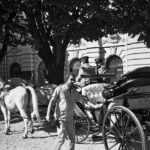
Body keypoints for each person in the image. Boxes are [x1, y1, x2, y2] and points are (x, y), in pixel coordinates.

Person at [46, 73, 100, 150]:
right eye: (71, 79)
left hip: (70, 120)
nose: (72, 81)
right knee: (61, 139)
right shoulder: (59, 89)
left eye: (74, 80)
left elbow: (84, 100)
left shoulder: (75, 92)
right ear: (66, 80)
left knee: (72, 139)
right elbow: (52, 101)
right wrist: (48, 114)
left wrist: (94, 106)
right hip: (61, 119)